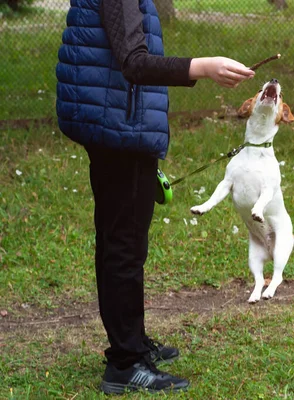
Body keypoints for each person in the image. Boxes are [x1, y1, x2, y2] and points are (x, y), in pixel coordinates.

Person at [55, 0, 255, 394]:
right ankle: (126, 363)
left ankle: (131, 341)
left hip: (116, 120)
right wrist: (203, 66)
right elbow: (134, 62)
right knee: (123, 245)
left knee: (125, 239)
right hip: (117, 127)